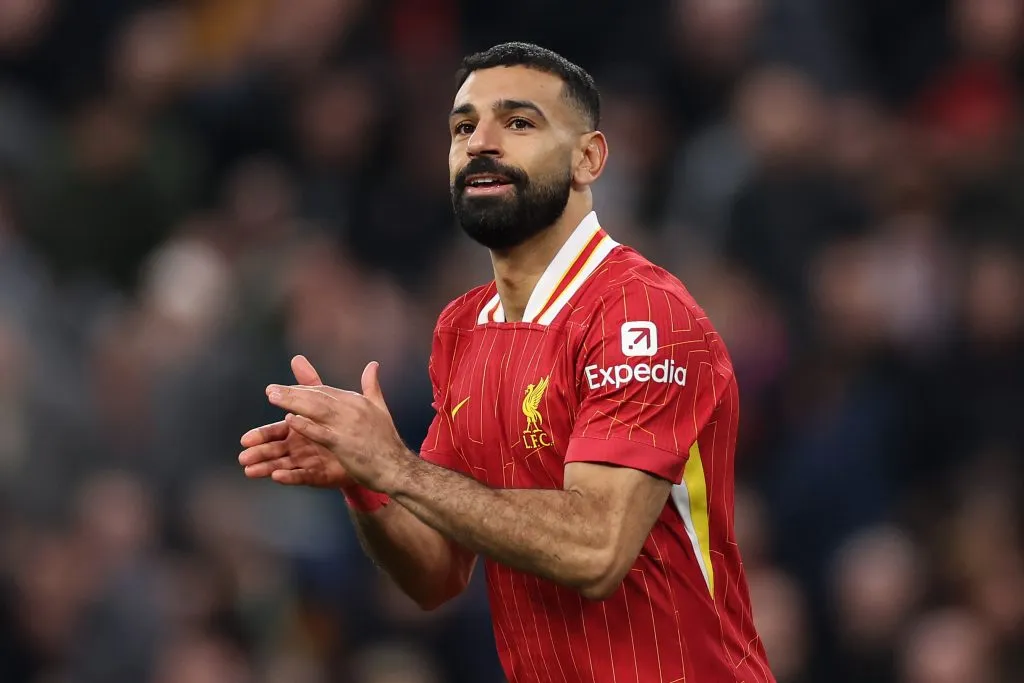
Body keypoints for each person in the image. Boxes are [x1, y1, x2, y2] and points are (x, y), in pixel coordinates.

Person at [238, 41, 774, 683]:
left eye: (518, 123)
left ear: (588, 158)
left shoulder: (642, 315)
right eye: (464, 127)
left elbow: (596, 549)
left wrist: (396, 467)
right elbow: (437, 573)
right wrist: (367, 481)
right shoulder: (463, 327)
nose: (480, 143)